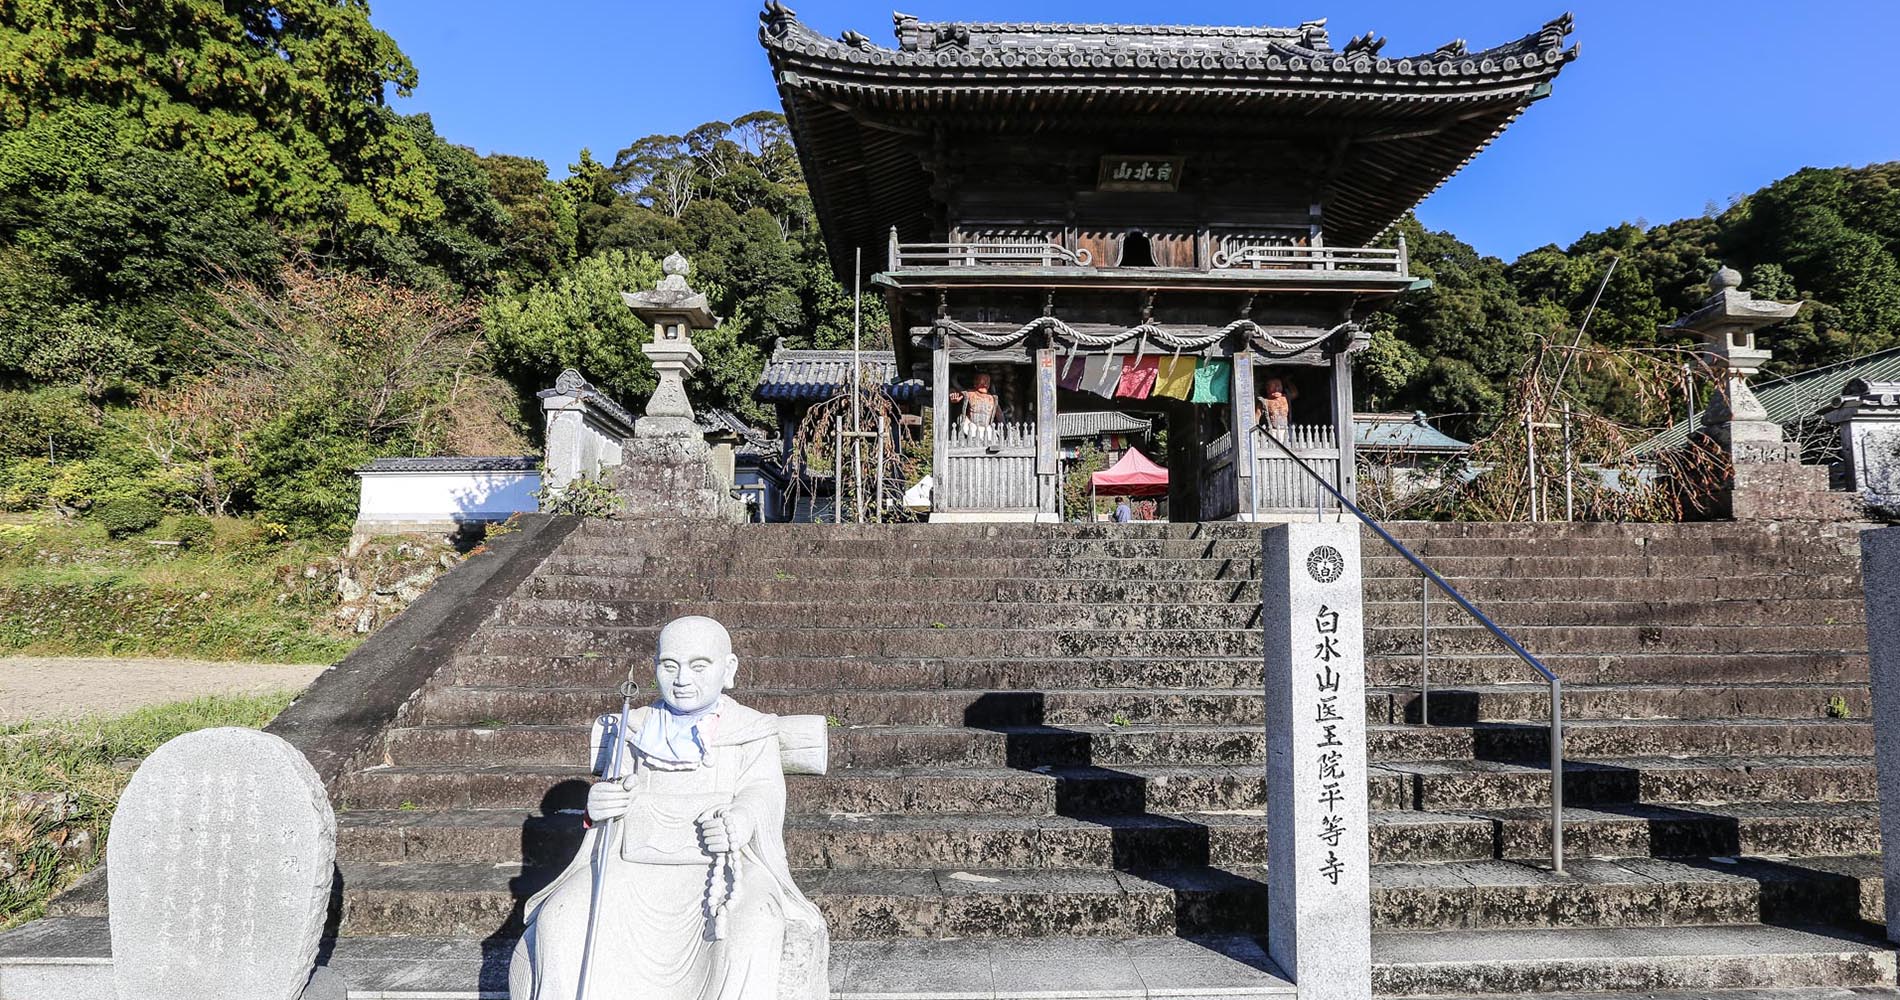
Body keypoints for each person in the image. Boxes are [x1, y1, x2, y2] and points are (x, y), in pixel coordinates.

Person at [509, 616, 828, 1000]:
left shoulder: (751, 730)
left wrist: (741, 819)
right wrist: (599, 805)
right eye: (669, 665)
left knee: (756, 922)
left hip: (722, 870)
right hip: (632, 866)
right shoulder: (634, 727)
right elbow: (614, 788)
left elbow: (763, 791)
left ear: (728, 670)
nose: (682, 679)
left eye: (699, 665)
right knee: (562, 916)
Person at [949, 372, 1001, 446]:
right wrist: (954, 397)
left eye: (987, 381)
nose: (985, 384)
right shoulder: (970, 393)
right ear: (975, 383)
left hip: (987, 430)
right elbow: (956, 393)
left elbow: (999, 415)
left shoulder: (993, 398)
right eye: (983, 380)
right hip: (972, 427)